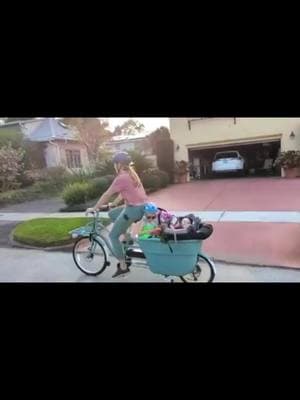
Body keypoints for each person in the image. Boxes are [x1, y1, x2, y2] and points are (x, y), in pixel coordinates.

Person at [86, 152, 148, 278]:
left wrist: (95, 208)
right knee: (112, 214)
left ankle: (123, 267)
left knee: (113, 236)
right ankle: (127, 238)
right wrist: (113, 204)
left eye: (115, 164)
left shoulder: (122, 177)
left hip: (133, 210)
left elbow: (106, 194)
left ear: (118, 164)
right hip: (141, 207)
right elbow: (122, 193)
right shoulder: (131, 174)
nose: (114, 166)